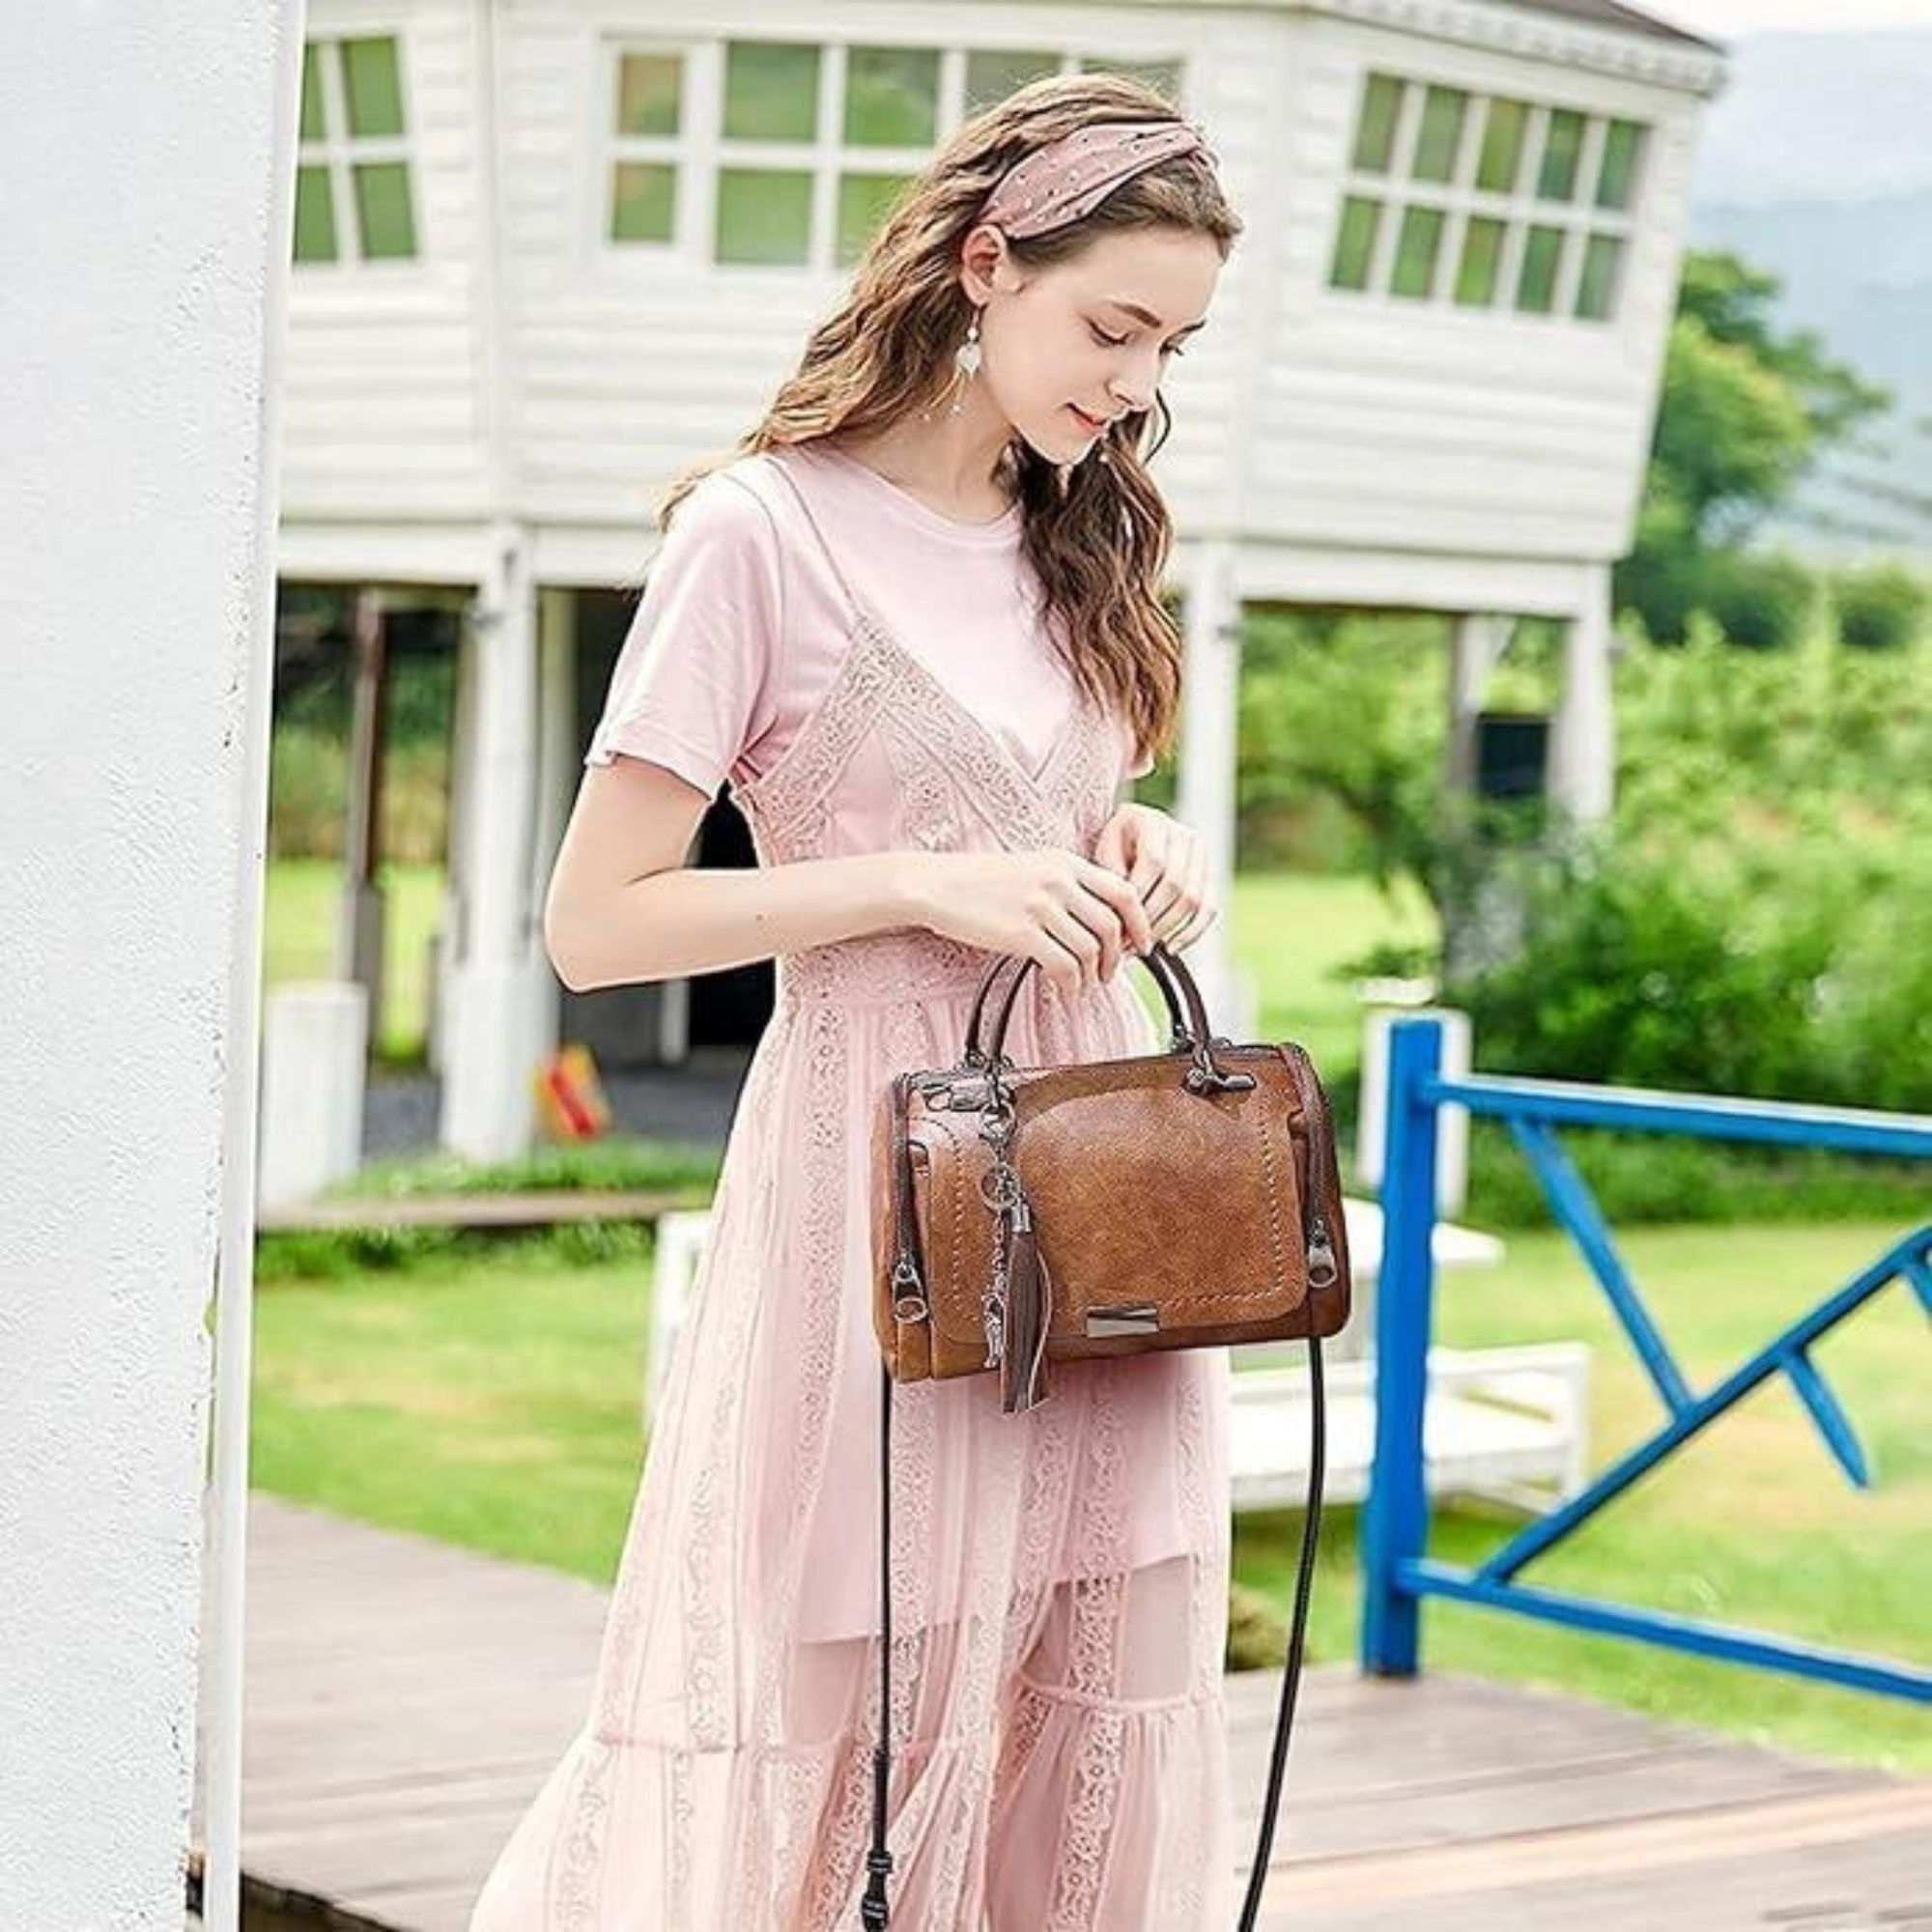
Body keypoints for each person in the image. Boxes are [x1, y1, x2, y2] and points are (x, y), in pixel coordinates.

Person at [468, 69, 1243, 1931]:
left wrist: (1138, 847)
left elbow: (1043, 800)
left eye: (1173, 346)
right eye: (1110, 326)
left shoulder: (1079, 535)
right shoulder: (760, 532)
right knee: (851, 1700)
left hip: (1103, 1187)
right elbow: (598, 925)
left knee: (1099, 1666)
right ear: (985, 265)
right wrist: (911, 885)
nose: (1134, 385)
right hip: (876, 1185)